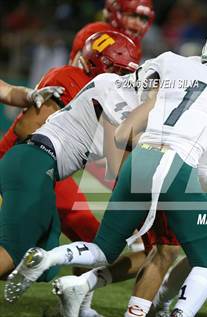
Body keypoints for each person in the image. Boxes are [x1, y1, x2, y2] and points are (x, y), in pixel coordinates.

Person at [6, 25, 207, 317]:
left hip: (140, 159)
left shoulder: (171, 63)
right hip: (175, 166)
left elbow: (122, 134)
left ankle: (49, 258)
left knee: (104, 248)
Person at [0, 31, 140, 314]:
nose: (124, 79)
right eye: (119, 70)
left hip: (41, 170)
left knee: (45, 260)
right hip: (32, 165)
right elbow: (26, 129)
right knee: (11, 254)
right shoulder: (75, 79)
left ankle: (74, 306)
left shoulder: (102, 92)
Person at [69, 0, 155, 65]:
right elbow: (77, 70)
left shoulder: (135, 44)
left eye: (143, 19)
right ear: (115, 12)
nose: (137, 23)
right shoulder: (96, 31)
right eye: (132, 16)